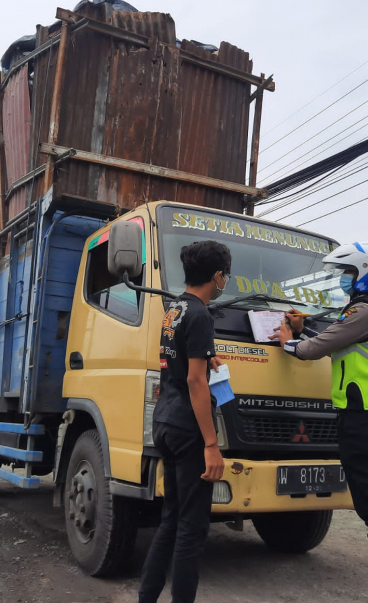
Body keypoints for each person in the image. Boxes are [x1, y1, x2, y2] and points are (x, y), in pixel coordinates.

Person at [270, 240, 368, 603]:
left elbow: (313, 350)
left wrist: (287, 341)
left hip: (363, 426)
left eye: (347, 273)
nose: (342, 280)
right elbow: (340, 343)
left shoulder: (363, 311)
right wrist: (306, 324)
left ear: (365, 274)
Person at [138, 240, 230, 603]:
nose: (226, 282)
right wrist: (211, 444)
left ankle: (147, 597)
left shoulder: (173, 309)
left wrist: (206, 359)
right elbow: (195, 382)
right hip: (189, 430)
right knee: (192, 529)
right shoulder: (202, 315)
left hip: (164, 421)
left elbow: (180, 365)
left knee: (172, 519)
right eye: (226, 276)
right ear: (217, 276)